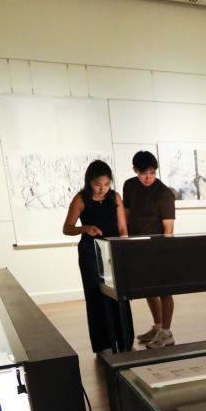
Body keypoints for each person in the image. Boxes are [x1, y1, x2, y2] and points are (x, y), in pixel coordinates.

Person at [63, 159, 128, 353]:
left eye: (106, 184)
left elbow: (123, 227)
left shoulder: (115, 197)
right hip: (90, 252)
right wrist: (86, 228)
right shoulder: (81, 199)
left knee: (119, 296)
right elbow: (67, 228)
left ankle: (124, 341)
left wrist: (124, 247)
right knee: (95, 297)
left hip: (113, 250)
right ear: (89, 181)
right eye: (98, 184)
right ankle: (103, 345)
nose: (102, 189)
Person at [122, 150, 177, 348]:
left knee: (164, 290)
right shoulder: (129, 185)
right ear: (135, 170)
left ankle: (167, 333)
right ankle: (158, 326)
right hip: (138, 246)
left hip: (158, 248)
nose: (148, 177)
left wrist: (167, 253)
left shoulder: (164, 193)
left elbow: (168, 228)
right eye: (143, 173)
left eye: (152, 172)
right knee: (149, 288)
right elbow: (126, 216)